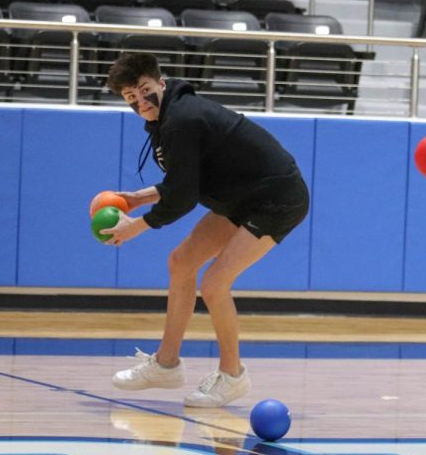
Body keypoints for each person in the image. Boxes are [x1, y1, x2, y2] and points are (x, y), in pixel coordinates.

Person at [101, 53, 309, 408]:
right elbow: (188, 181)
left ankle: (232, 376)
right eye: (131, 98)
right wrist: (139, 197)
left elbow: (183, 197)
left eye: (145, 91)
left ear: (161, 84)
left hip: (276, 199)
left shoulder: (182, 119)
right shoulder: (169, 119)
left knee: (214, 283)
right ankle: (166, 364)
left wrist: (135, 227)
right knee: (181, 262)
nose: (141, 103)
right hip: (241, 195)